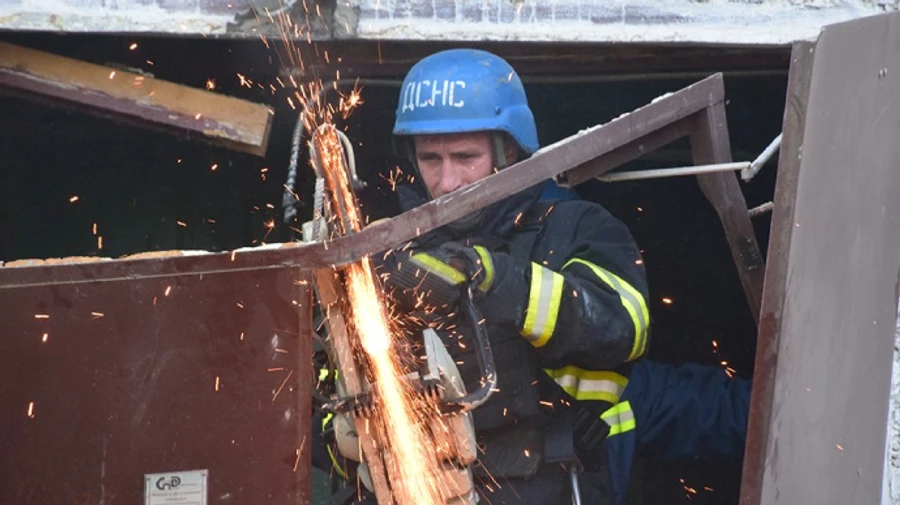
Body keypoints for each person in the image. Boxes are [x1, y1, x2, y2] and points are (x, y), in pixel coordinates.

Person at [314, 48, 750, 505]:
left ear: (509, 150)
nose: (447, 182)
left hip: (546, 484)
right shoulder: (383, 253)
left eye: (466, 157)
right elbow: (318, 394)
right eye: (431, 159)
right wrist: (342, 434)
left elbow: (623, 328)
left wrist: (493, 278)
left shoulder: (576, 227)